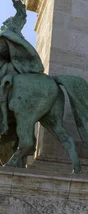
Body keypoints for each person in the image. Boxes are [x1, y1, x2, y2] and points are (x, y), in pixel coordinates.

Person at [0, 0, 45, 135]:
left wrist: (18, 6)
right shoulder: (5, 34)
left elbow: (20, 16)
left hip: (10, 66)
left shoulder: (9, 32)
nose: (5, 24)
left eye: (7, 23)